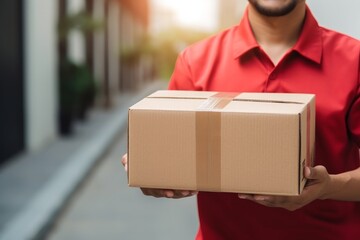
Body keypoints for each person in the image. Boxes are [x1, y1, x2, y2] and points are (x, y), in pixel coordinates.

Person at [122, 0, 360, 239]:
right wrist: (150, 169)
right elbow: (168, 156)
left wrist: (328, 187)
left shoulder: (354, 61)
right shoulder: (196, 64)